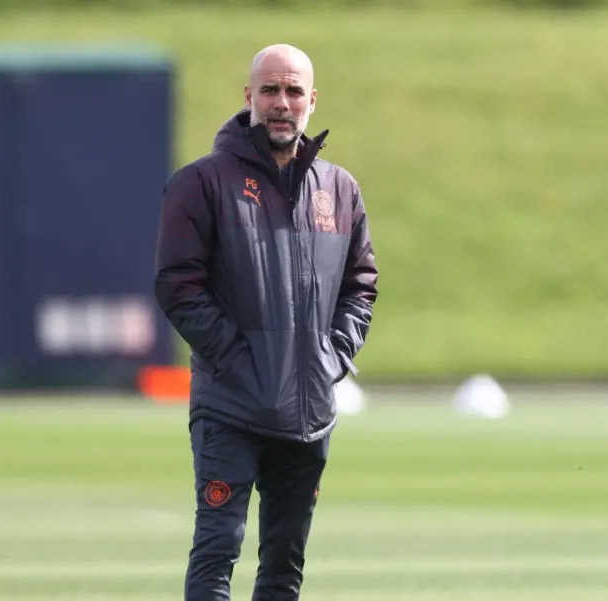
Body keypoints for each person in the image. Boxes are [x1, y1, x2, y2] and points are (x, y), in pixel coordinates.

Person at [153, 43, 378, 600]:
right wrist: (238, 359)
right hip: (230, 407)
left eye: (294, 91)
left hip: (308, 413)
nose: (282, 102)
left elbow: (360, 286)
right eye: (270, 90)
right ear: (249, 96)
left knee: (284, 568)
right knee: (217, 553)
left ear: (312, 101)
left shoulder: (339, 189)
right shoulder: (201, 182)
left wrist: (329, 358)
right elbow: (178, 286)